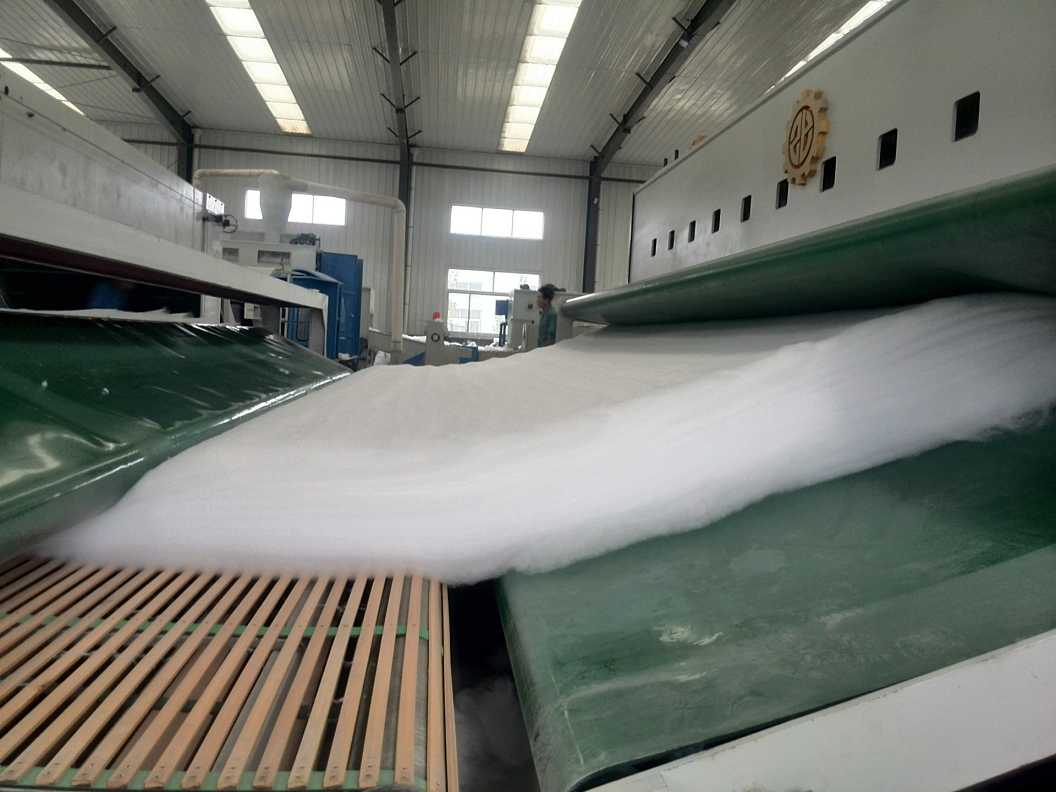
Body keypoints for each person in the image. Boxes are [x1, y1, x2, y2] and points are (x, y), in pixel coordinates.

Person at [536, 283, 558, 347]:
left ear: (546, 300)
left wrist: (542, 350)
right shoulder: (544, 313)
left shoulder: (552, 314)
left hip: (546, 349)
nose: (537, 300)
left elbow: (551, 339)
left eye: (539, 297)